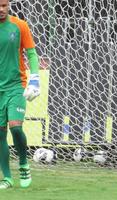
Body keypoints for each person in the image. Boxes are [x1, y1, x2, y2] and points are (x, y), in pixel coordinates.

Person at [0, 0, 40, 189]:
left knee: (16, 127)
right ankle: (7, 178)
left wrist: (35, 78)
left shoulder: (20, 25)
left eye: (4, 5)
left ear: (8, 6)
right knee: (0, 134)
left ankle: (24, 164)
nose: (1, 9)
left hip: (16, 85)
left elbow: (31, 54)